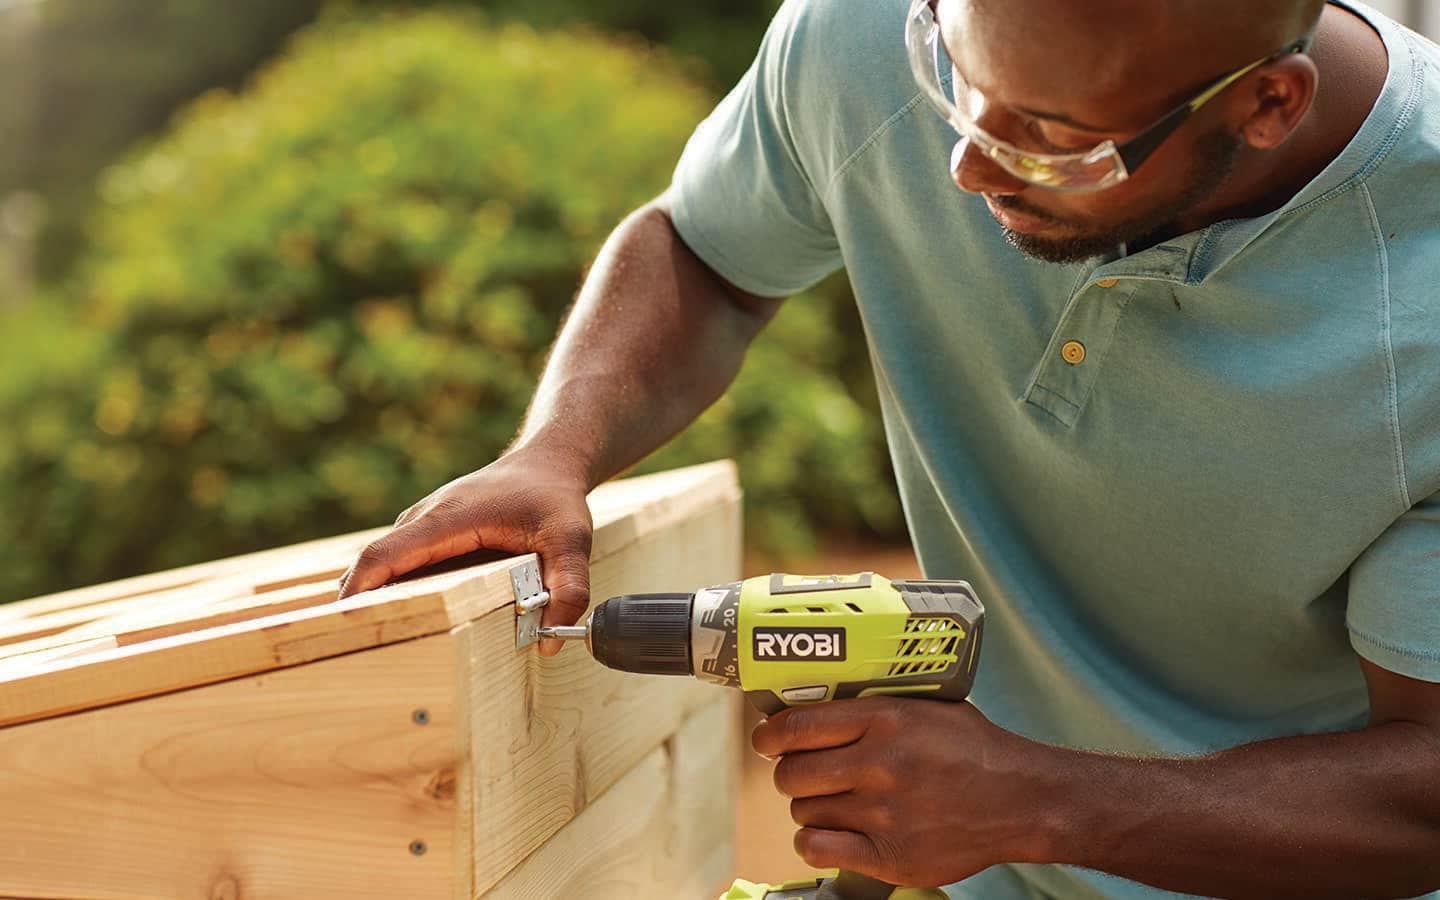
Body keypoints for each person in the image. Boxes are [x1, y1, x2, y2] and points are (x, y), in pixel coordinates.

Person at [340, 0, 1440, 895]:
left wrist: (1039, 802)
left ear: (1266, 103)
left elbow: (1425, 787)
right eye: (958, 78)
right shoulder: (871, 30)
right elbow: (708, 255)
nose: (967, 162)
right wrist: (555, 449)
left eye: (1054, 138)